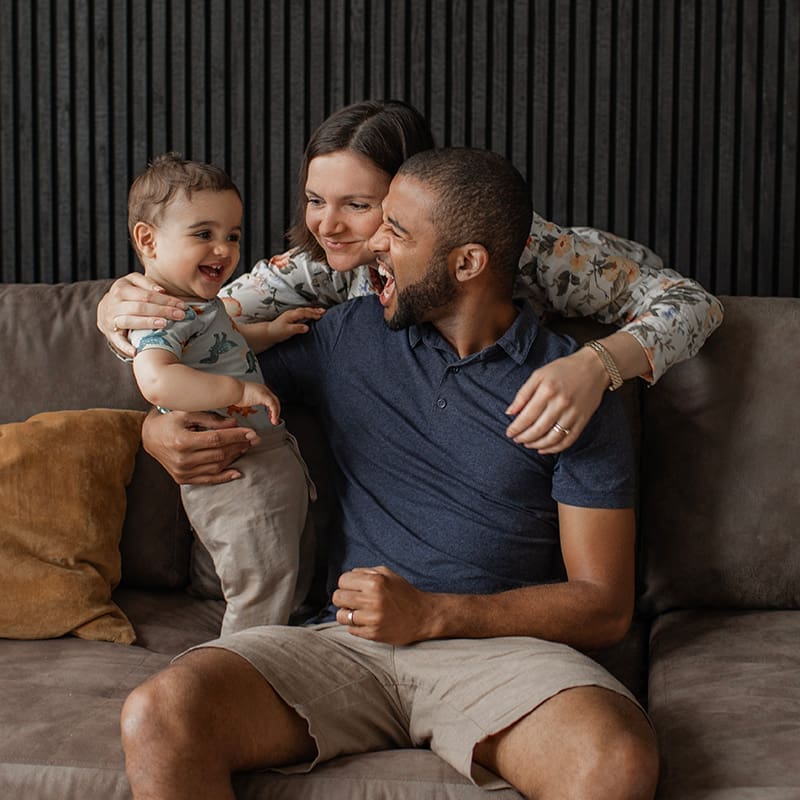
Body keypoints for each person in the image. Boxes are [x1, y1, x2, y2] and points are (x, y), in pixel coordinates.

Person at [119, 147, 659, 799]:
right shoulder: (349, 335)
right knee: (160, 714)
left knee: (615, 761)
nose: (372, 242)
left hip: (504, 654)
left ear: (467, 262)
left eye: (396, 232)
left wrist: (433, 614)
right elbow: (207, 375)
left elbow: (604, 607)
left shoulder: (568, 388)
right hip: (345, 646)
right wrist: (156, 430)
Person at [97, 100, 723, 482]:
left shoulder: (526, 252)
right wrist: (117, 325)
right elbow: (202, 328)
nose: (328, 225)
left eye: (359, 205)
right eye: (316, 200)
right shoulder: (321, 266)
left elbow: (693, 303)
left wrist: (596, 364)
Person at [125, 152, 321, 634]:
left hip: (269, 458)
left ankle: (280, 643)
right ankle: (238, 666)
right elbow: (156, 379)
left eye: (232, 235)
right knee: (260, 578)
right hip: (232, 469)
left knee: (287, 568)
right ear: (148, 240)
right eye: (203, 234)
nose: (224, 249)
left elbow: (225, 341)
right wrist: (236, 389)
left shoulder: (202, 307)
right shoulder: (161, 315)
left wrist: (270, 331)